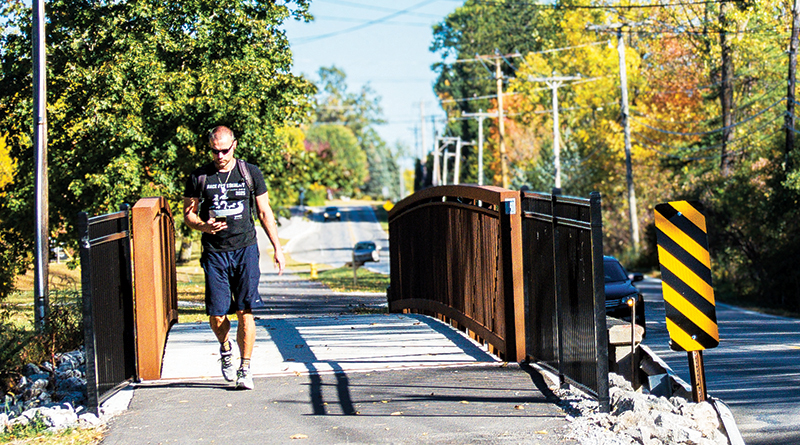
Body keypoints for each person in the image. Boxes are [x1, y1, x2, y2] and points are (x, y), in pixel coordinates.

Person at [183, 126, 285, 390]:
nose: (220, 156)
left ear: (234, 145)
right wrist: (203, 226)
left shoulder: (249, 173)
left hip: (245, 249)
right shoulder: (199, 177)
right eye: (215, 151)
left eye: (225, 150)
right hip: (215, 253)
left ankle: (245, 367)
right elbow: (188, 215)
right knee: (217, 315)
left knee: (245, 310)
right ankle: (226, 349)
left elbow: (264, 212)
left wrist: (277, 247)